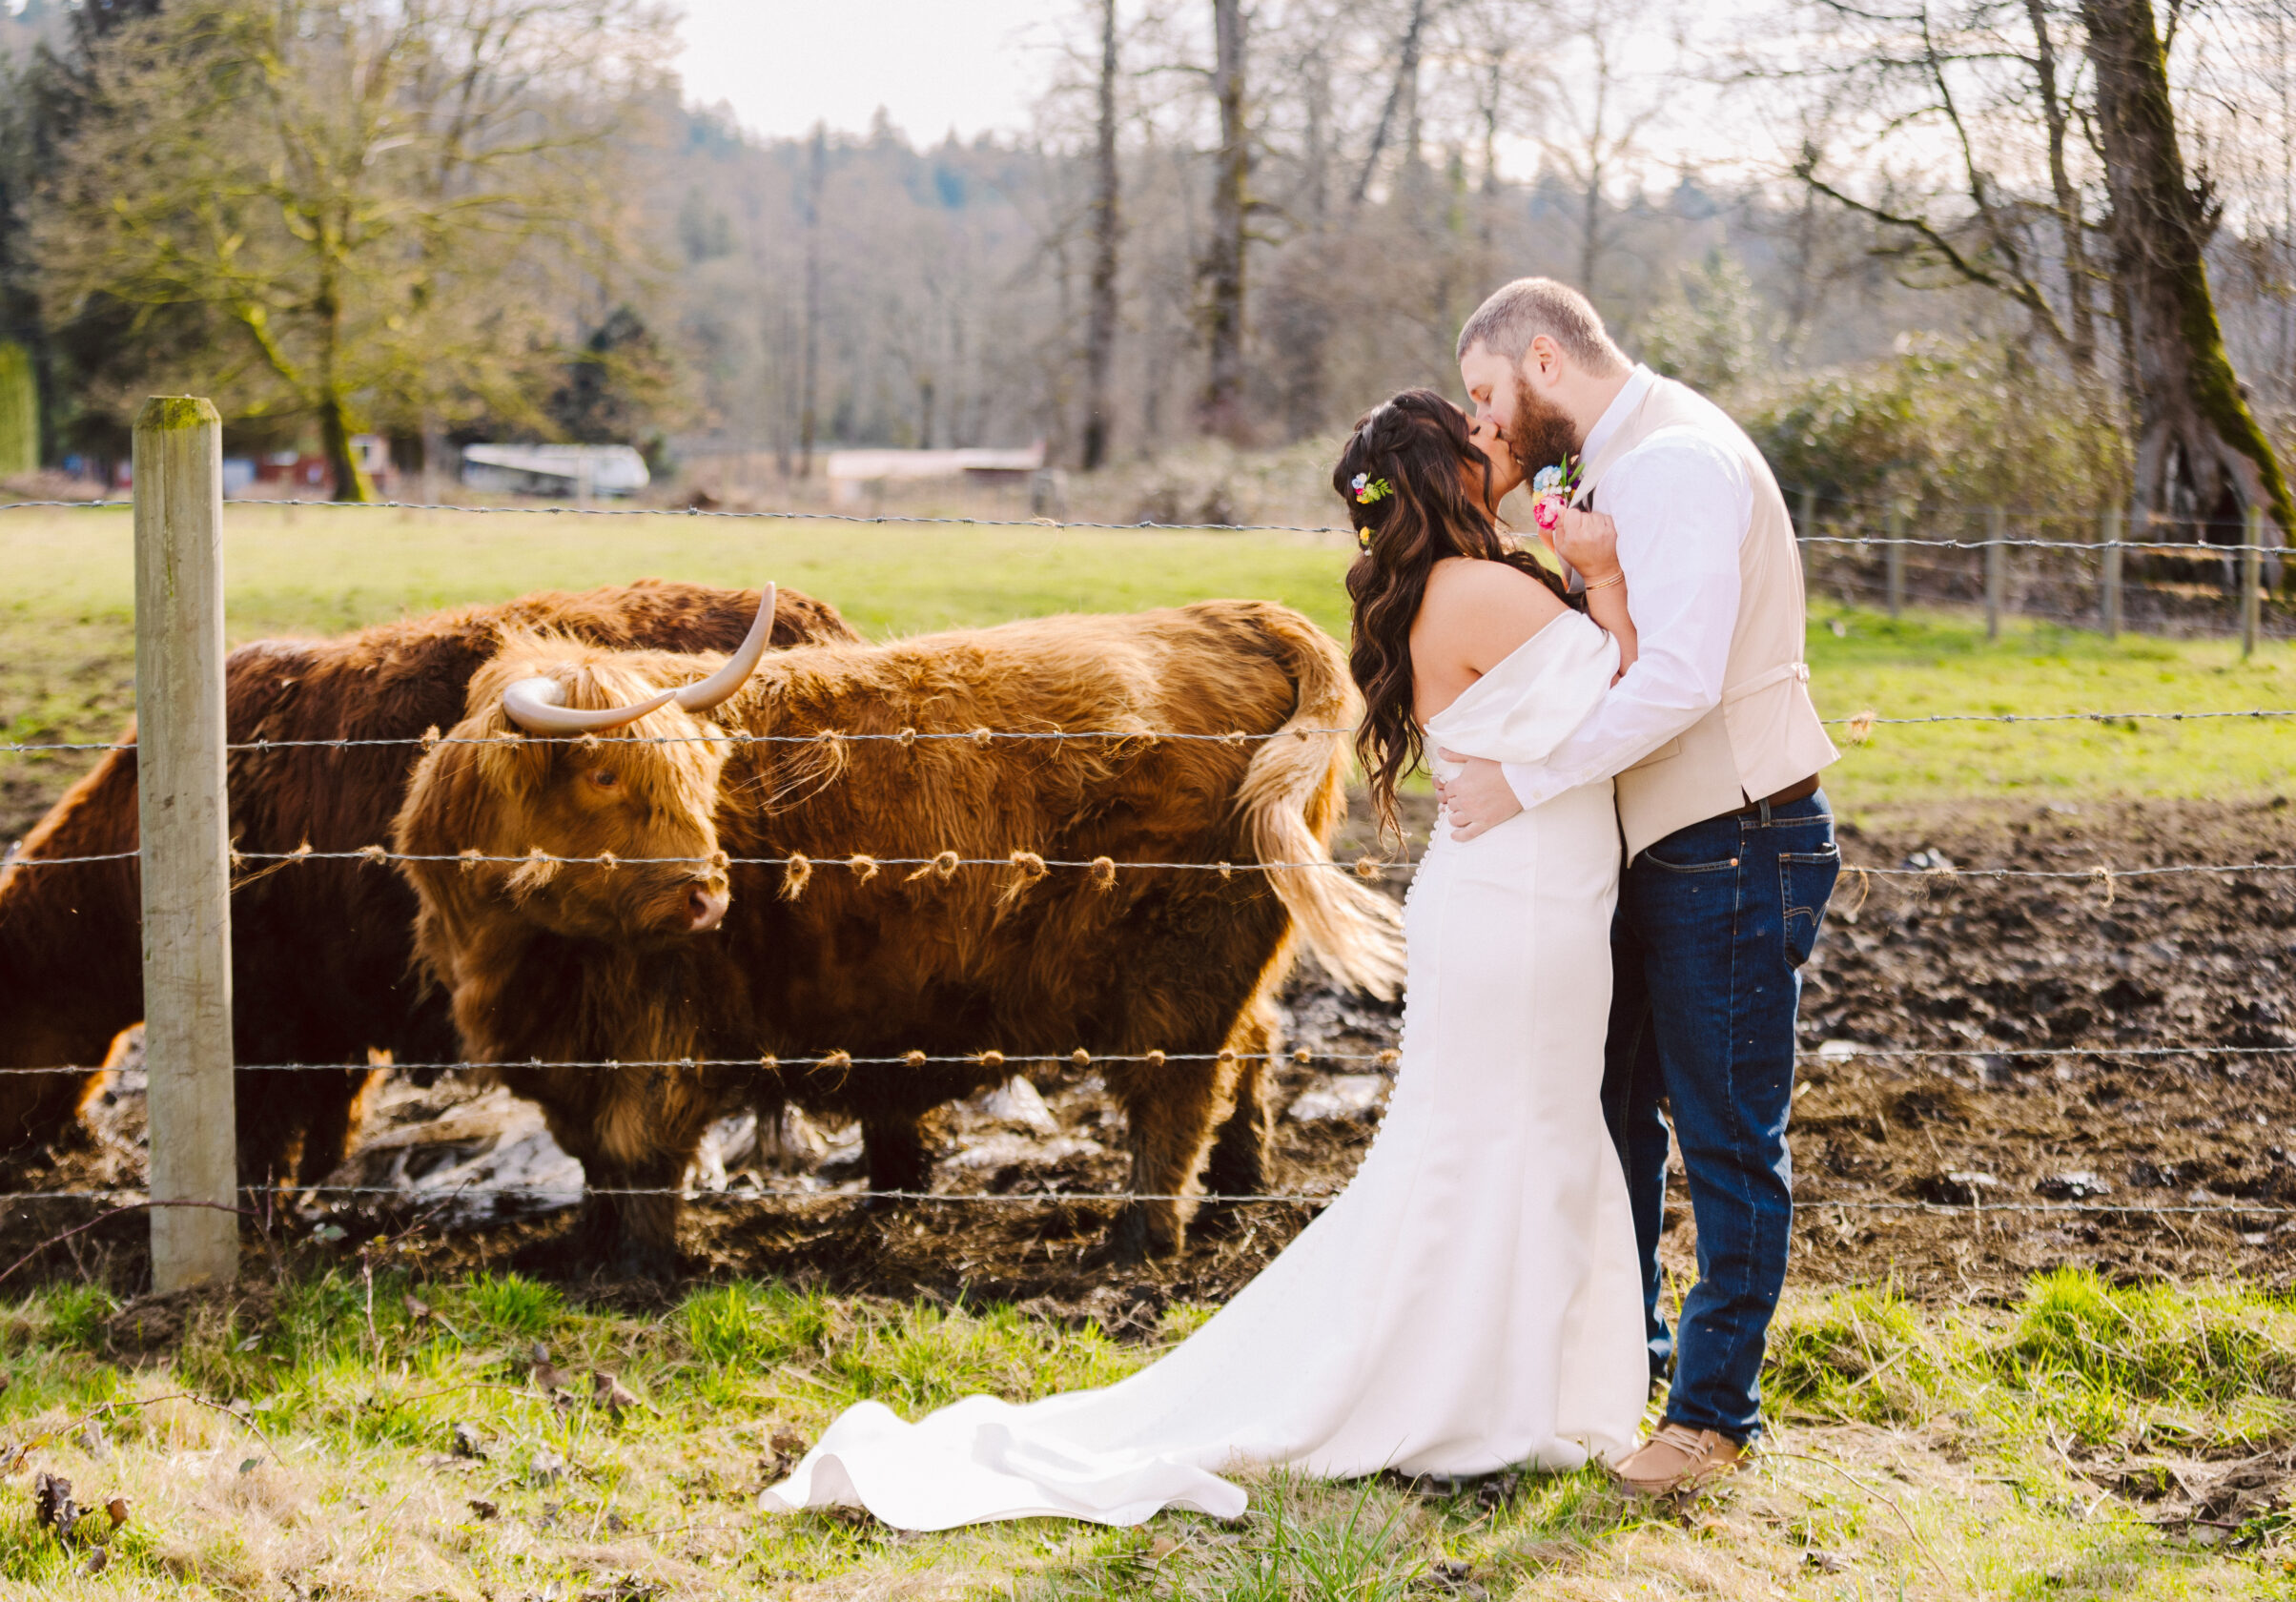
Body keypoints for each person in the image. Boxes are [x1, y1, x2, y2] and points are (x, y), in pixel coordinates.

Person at [761, 388, 1652, 1530]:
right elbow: (1635, 692)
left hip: (1515, 894)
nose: (1504, 443)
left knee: (1497, 1139)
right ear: (1450, 479)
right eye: (1481, 439)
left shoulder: (1453, 588)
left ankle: (1491, 1387)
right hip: (1524, 905)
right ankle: (1463, 1398)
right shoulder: (1480, 591)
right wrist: (1608, 576)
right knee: (1508, 1136)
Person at [1439, 277, 1841, 1498]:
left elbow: (1674, 683)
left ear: (1544, 360)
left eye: (1486, 397)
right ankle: (1622, 1374)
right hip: (1663, 851)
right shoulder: (1615, 470)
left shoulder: (1670, 465)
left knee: (1726, 1139)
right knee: (1615, 1120)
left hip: (1733, 839)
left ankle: (1712, 1422)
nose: (1486, 427)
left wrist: (1523, 779)